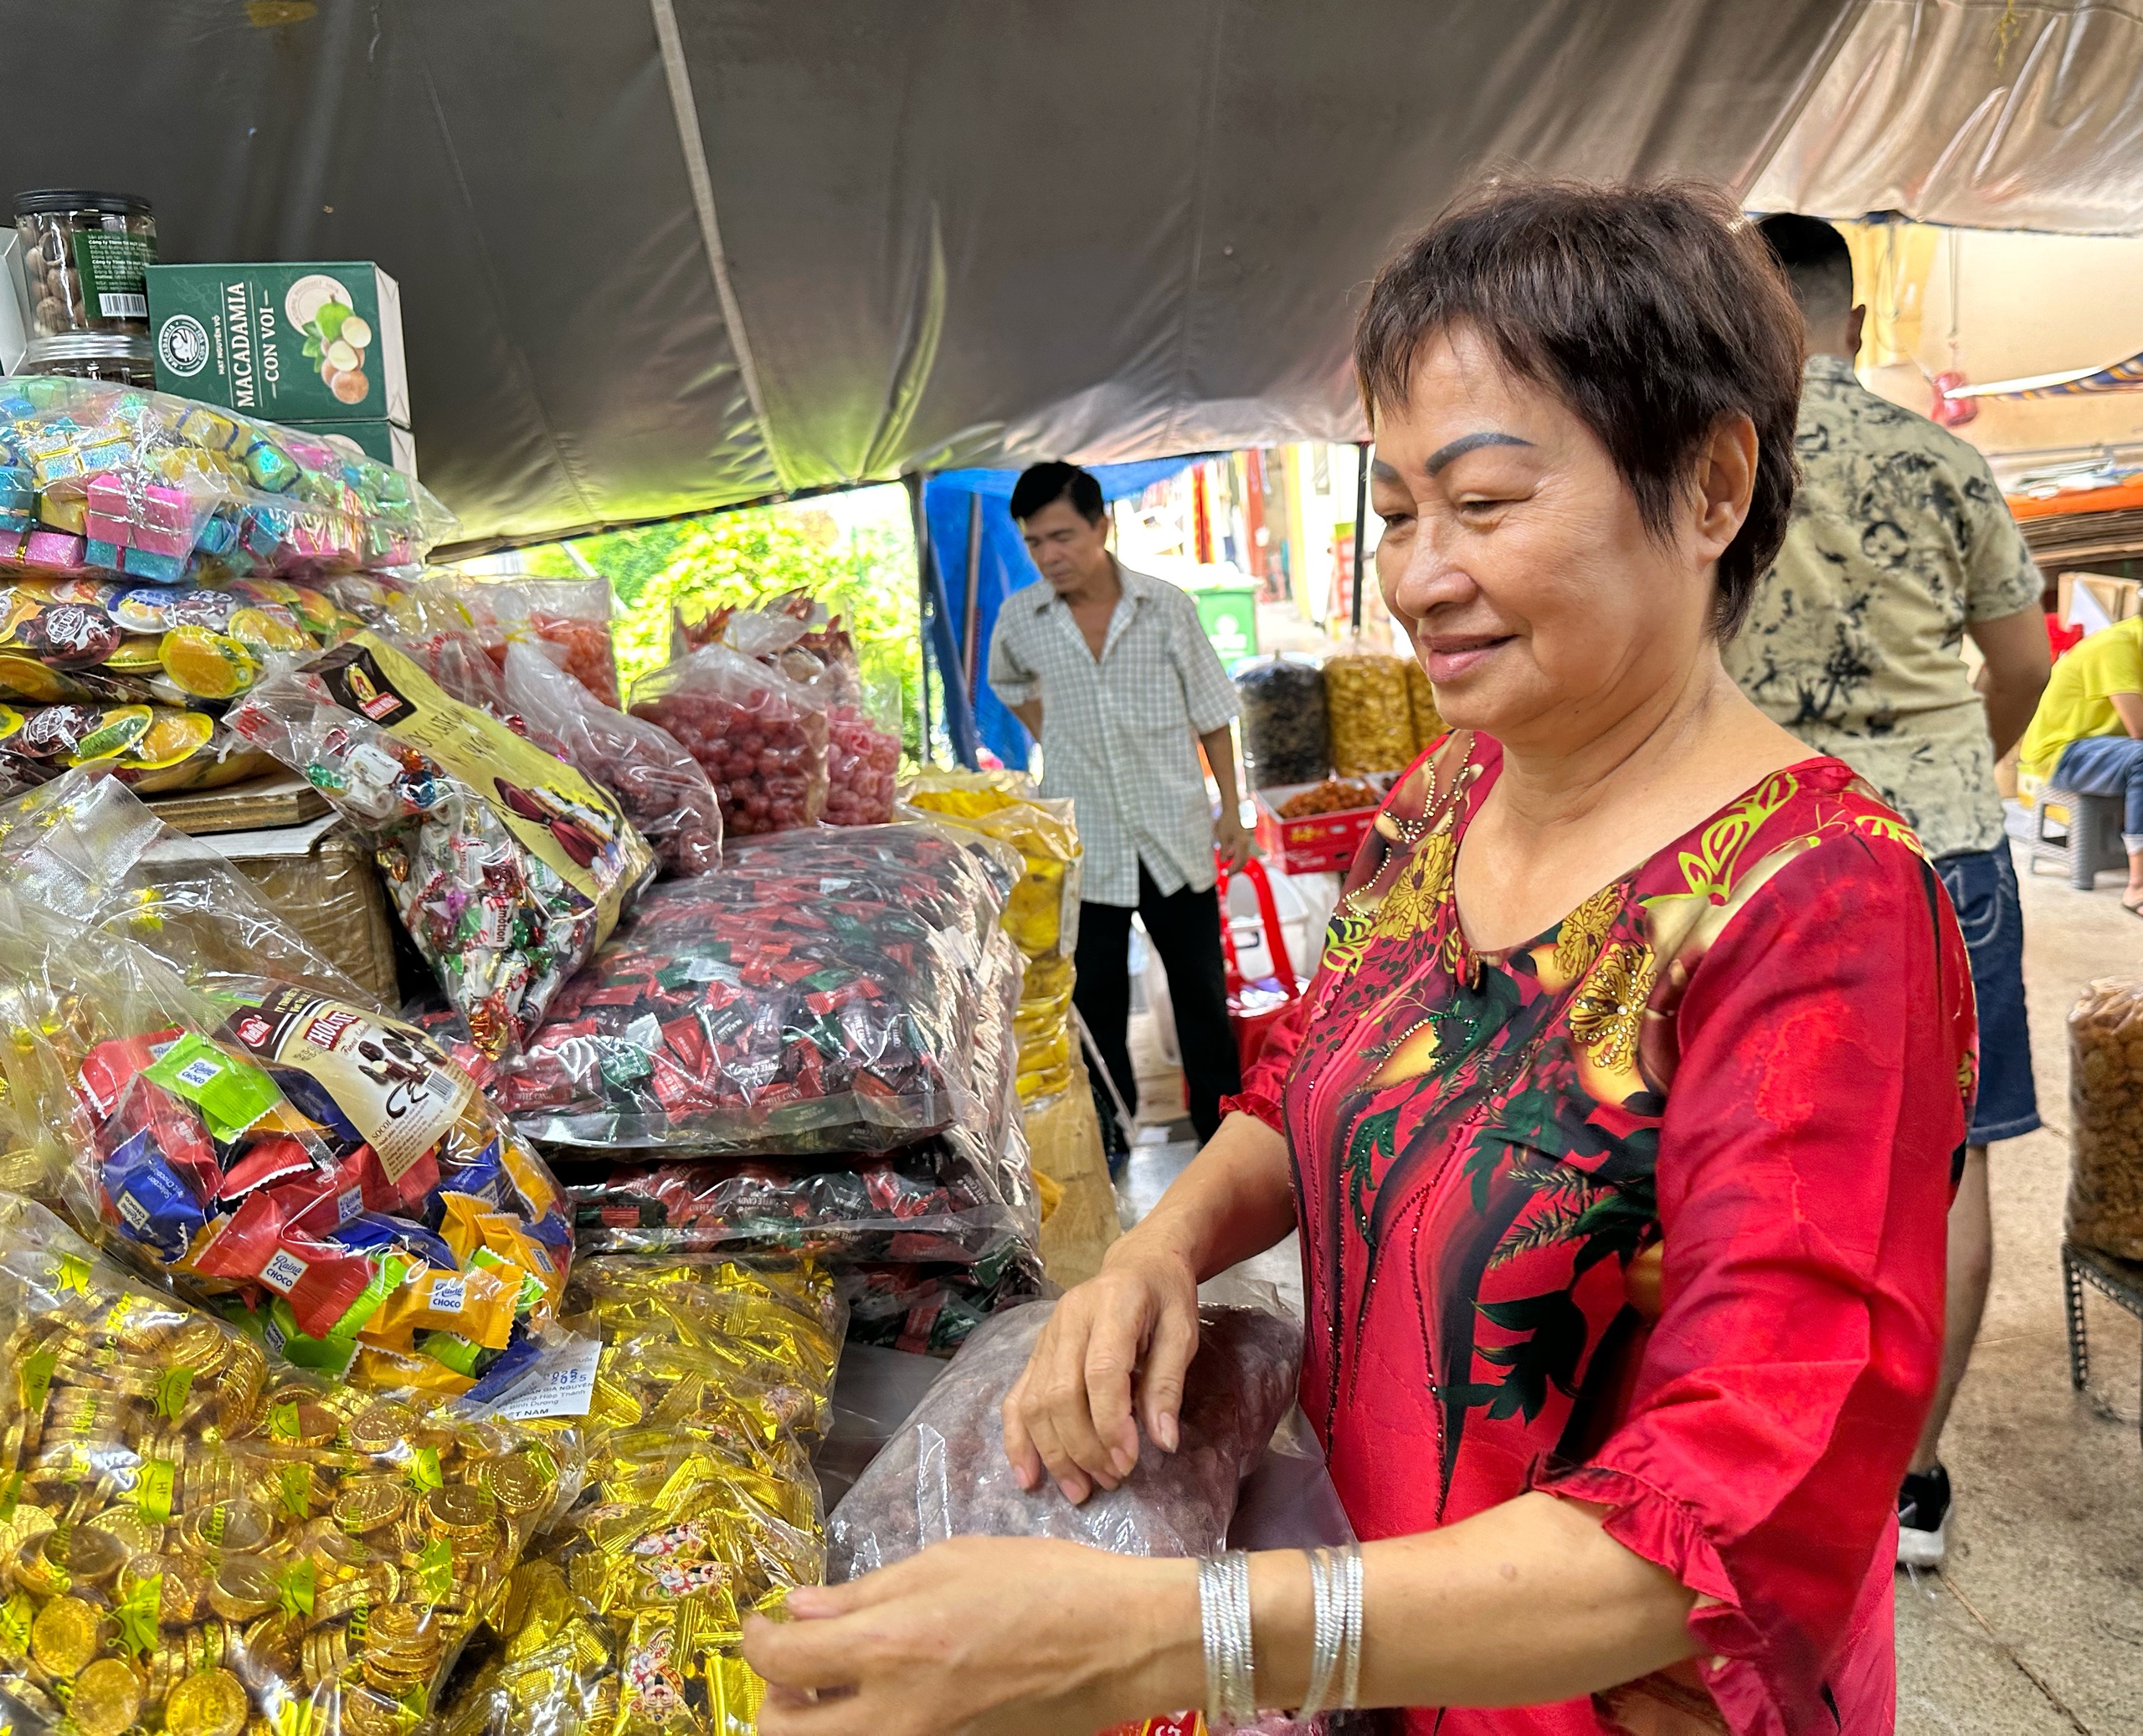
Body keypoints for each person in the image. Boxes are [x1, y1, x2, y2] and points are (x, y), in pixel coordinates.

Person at [744, 182, 1972, 1735]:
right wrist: (1153, 1251)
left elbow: (1731, 1511)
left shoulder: (1821, 908)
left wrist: (1165, 1635)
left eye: (1487, 501)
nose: (1416, 575)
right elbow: (1311, 1078)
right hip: (1375, 1654)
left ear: (1713, 482)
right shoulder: (1444, 798)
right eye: (1394, 510)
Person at [1726, 213, 2050, 1569]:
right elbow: (2023, 657)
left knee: (1760, 1143)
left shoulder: (1713, 467)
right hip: (1943, 836)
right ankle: (1914, 1486)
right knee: (1953, 1152)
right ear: (1854, 320)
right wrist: (1953, 771)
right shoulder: (1944, 459)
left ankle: (1773, 1453)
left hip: (1758, 840)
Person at [984, 460, 1255, 1145]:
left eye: (1063, 536)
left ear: (1102, 526)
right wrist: (1058, 737)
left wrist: (1231, 809)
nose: (1050, 555)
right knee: (1096, 1000)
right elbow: (1007, 682)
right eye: (1034, 543)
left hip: (1174, 830)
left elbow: (1213, 714)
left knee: (1200, 994)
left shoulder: (1166, 606)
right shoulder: (1022, 619)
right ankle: (1112, 1137)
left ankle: (1219, 1132)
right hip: (1086, 844)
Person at [2016, 611, 2143, 911]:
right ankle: (2137, 886)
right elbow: (2139, 729)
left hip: (2107, 750)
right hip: (2063, 753)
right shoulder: (2118, 645)